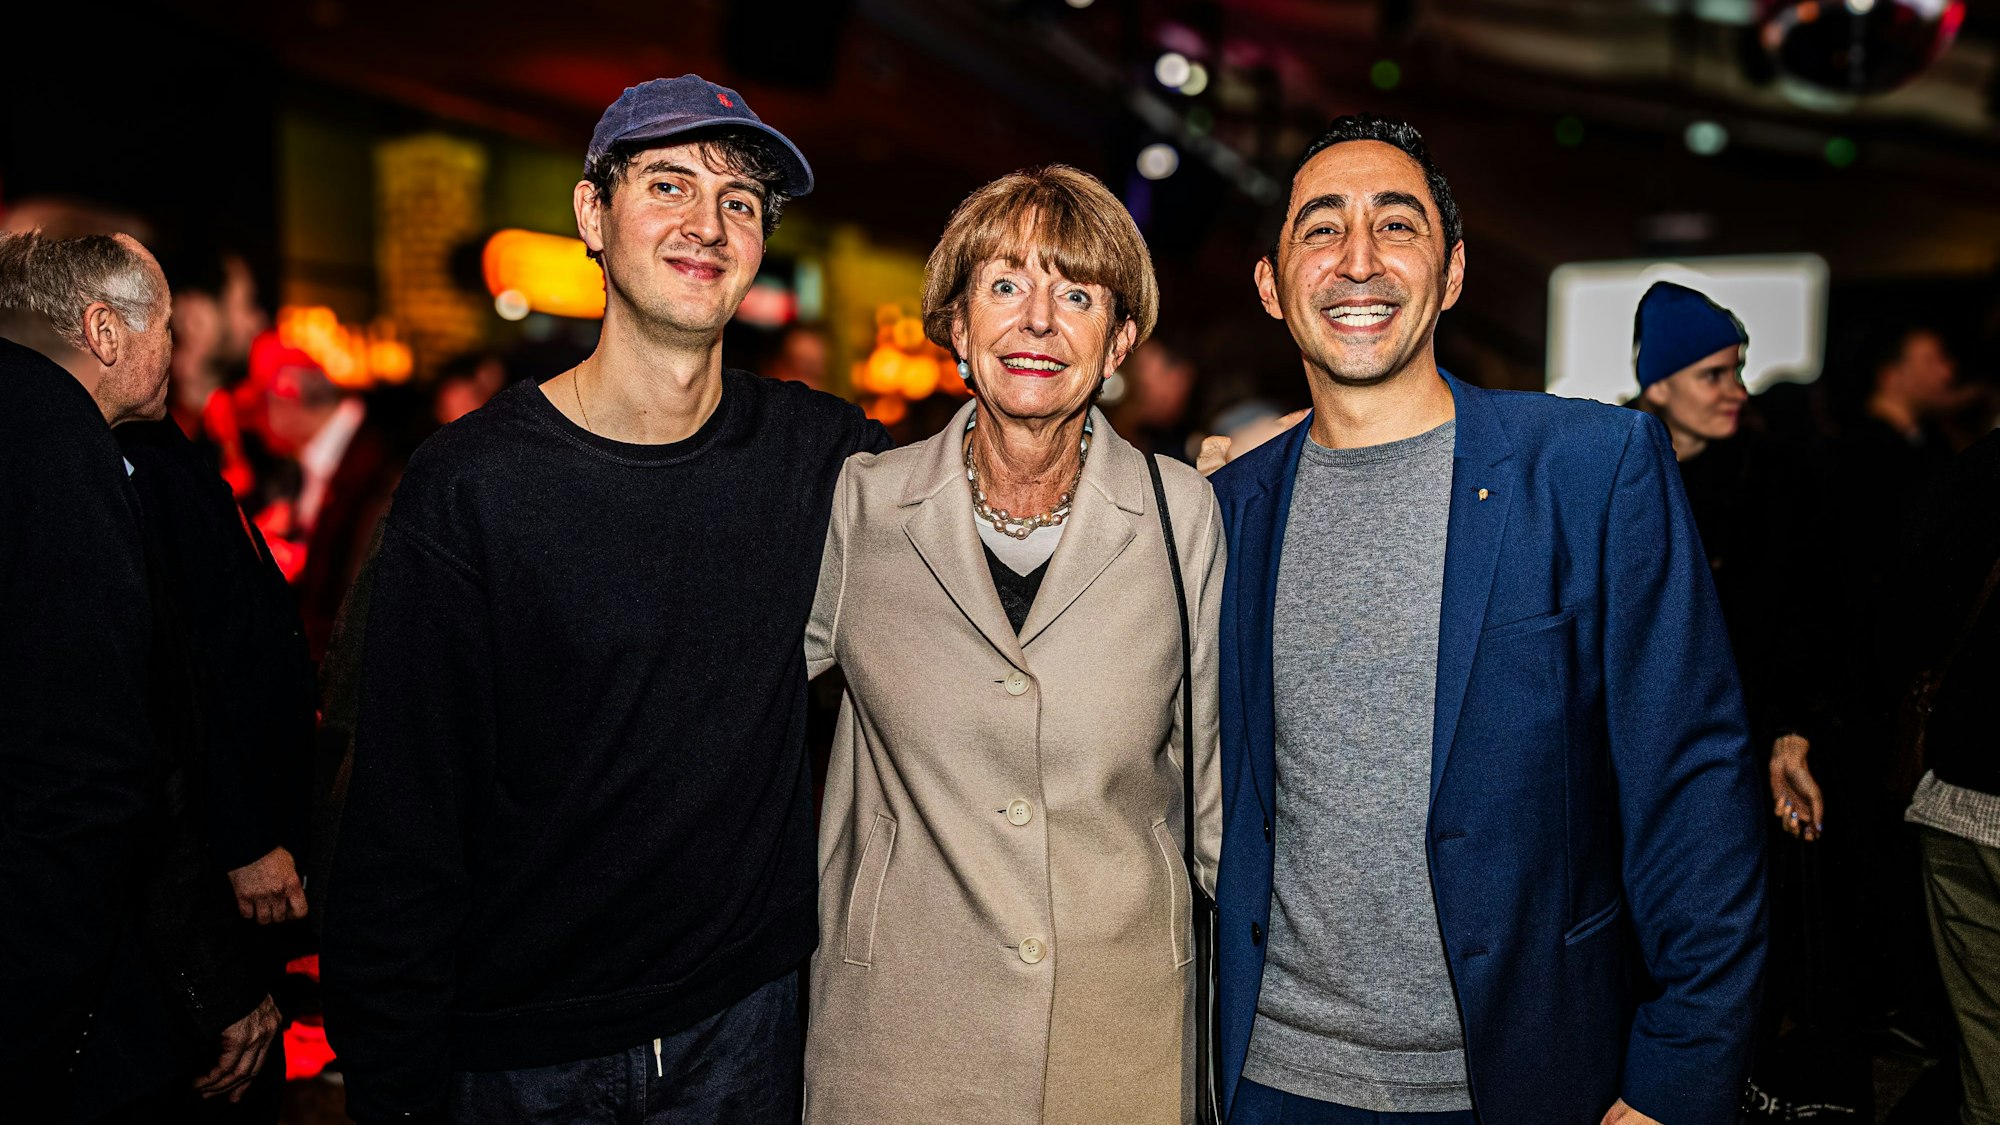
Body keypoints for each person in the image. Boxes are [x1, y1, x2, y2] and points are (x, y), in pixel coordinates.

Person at [321, 75, 889, 1124]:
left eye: (739, 200)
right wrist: (393, 1082)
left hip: (747, 1026)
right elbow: (398, 811)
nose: (706, 224)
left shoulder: (820, 452)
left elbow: (1003, 495)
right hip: (522, 1046)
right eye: (668, 184)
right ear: (592, 214)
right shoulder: (470, 486)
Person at [1209, 116, 1765, 1125]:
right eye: (1319, 230)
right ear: (1269, 284)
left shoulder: (1590, 470)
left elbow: (1691, 782)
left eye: (1397, 225)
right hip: (1273, 1081)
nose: (1358, 261)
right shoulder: (1225, 513)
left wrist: (1676, 1077)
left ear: (1452, 271)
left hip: (1528, 1080)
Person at [802, 166, 1224, 1124]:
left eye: (1075, 294)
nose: (1038, 321)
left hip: (1121, 1039)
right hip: (900, 1034)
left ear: (1119, 340)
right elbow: (732, 701)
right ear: (955, 325)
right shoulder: (866, 507)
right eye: (1004, 285)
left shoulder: (1180, 514)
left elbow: (1214, 803)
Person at [1, 230, 283, 1120]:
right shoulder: (61, 455)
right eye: (162, 325)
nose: (175, 348)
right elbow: (103, 763)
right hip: (73, 981)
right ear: (105, 330)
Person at [1897, 428, 2000, 1125]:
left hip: (1965, 792)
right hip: (1963, 794)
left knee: (1987, 1051)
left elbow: (1910, 607)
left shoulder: (1987, 464)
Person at [255, 349, 403, 663]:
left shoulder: (373, 460)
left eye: (262, 399)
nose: (257, 416)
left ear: (289, 395)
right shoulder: (326, 453)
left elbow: (357, 586)